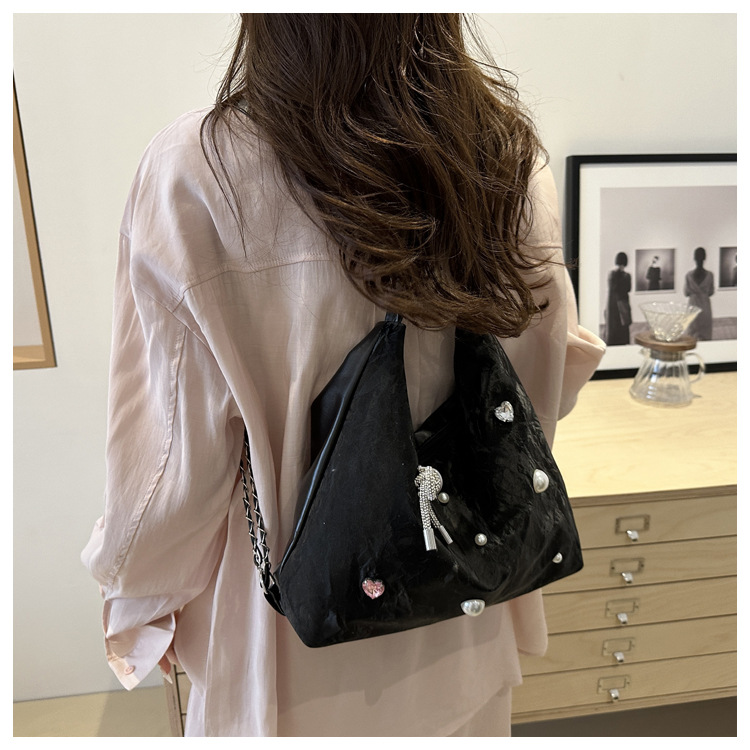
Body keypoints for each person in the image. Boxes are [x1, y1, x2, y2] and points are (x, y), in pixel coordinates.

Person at [82, 14, 604, 737]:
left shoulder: (198, 171)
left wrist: (139, 599)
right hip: (465, 616)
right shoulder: (508, 157)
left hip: (288, 650)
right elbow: (542, 392)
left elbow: (171, 466)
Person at [684, 246, 714, 340]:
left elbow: (686, 292)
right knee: (705, 333)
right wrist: (703, 293)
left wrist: (694, 292)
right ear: (705, 258)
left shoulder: (689, 275)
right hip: (705, 305)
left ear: (694, 258)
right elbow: (711, 292)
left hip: (693, 304)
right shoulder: (710, 275)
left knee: (691, 333)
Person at [604, 252, 632, 345]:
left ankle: (614, 341)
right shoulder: (625, 275)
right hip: (620, 302)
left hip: (615, 303)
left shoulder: (613, 274)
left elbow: (615, 288)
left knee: (616, 324)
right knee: (621, 324)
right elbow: (627, 289)